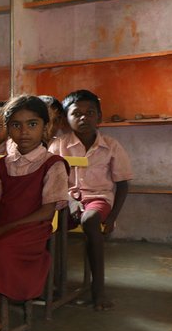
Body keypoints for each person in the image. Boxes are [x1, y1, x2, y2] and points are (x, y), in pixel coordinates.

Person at [0, 95, 69, 331]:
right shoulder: (0, 166)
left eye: (32, 124)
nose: (24, 132)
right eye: (16, 125)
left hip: (30, 231)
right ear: (7, 128)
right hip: (1, 227)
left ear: (45, 127)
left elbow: (47, 212)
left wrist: (3, 229)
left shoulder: (53, 165)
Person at [49, 89, 132, 310]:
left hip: (99, 198)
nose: (84, 117)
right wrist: (69, 200)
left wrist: (113, 217)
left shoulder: (111, 146)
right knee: (44, 222)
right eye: (76, 113)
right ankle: (51, 284)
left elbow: (122, 184)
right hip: (64, 198)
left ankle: (99, 291)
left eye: (90, 112)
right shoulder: (58, 145)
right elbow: (52, 181)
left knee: (90, 219)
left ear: (99, 117)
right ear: (66, 119)